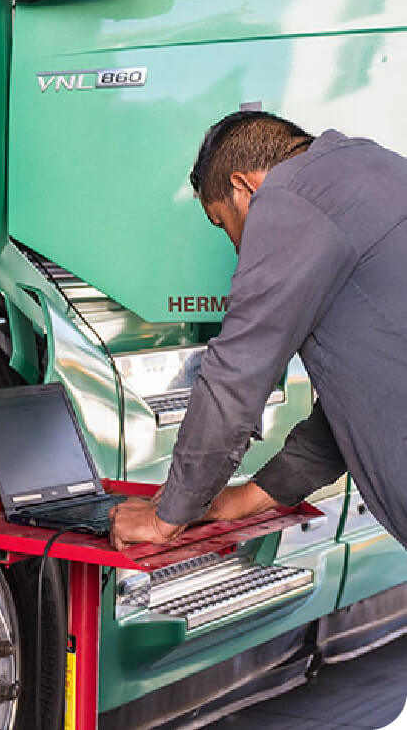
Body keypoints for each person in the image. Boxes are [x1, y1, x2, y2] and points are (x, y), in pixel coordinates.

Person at [109, 111, 407, 552]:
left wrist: (166, 516)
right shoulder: (382, 169)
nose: (236, 246)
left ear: (245, 186)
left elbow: (236, 374)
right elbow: (368, 394)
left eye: (223, 222)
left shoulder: (290, 197)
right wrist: (248, 498)